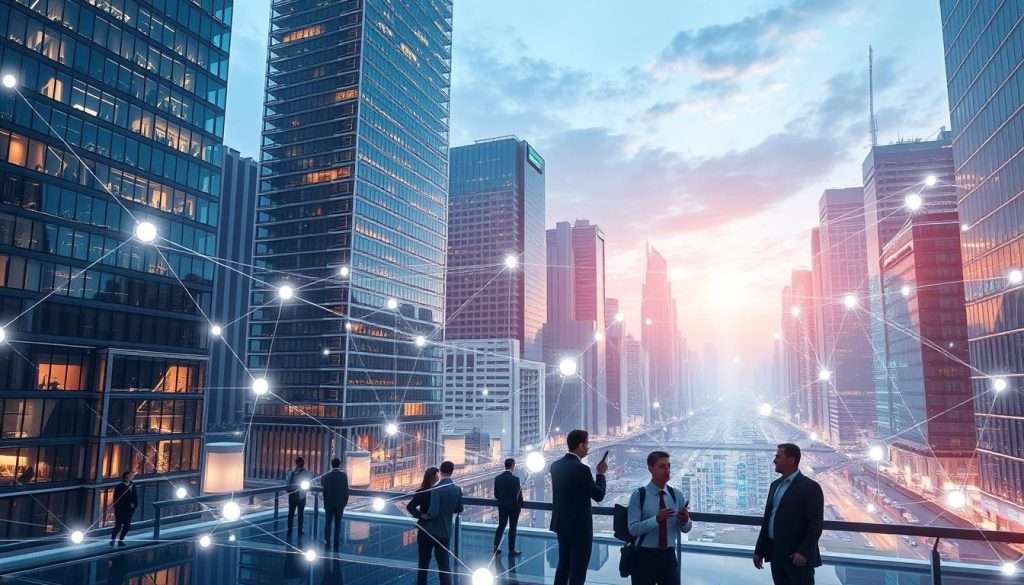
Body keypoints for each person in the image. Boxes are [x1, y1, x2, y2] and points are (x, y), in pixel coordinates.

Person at [753, 443, 824, 585]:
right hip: (776, 553)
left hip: (797, 558)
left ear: (791, 460)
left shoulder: (810, 487)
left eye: (778, 457)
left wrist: (803, 552)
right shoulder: (775, 485)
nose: (774, 460)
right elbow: (768, 520)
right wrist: (759, 550)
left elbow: (815, 525)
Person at [550, 429, 607, 585]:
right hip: (580, 528)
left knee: (563, 566)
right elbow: (599, 495)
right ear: (580, 445)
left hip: (561, 524)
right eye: (587, 444)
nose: (588, 448)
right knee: (578, 570)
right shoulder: (582, 469)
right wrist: (601, 474)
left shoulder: (555, 466)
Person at [627, 451, 692, 585]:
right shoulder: (639, 495)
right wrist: (656, 519)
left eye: (668, 466)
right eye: (662, 466)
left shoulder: (676, 495)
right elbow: (633, 529)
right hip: (644, 556)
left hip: (668, 556)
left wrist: (686, 520)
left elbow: (686, 528)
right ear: (650, 469)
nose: (667, 470)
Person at [418, 461, 463, 585]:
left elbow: (433, 512)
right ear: (452, 471)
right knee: (444, 566)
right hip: (445, 532)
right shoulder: (457, 489)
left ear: (440, 471)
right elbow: (459, 509)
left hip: (430, 532)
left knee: (424, 564)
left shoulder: (436, 489)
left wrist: (424, 516)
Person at [493, 457, 523, 555]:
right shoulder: (515, 479)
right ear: (513, 466)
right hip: (514, 508)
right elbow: (519, 496)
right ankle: (511, 550)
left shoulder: (497, 478)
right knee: (512, 528)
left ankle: (496, 547)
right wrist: (519, 506)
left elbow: (496, 495)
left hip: (502, 507)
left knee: (501, 526)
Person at [321, 456, 350, 549]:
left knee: (328, 522)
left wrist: (325, 500)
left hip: (329, 503)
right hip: (340, 503)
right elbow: (346, 490)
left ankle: (327, 540)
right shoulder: (344, 476)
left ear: (331, 464)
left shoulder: (325, 476)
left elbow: (323, 489)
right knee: (338, 523)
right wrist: (345, 501)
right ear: (339, 464)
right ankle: (336, 541)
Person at [286, 456, 311, 537]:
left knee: (300, 513)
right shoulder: (291, 472)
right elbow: (288, 482)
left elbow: (308, 483)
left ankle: (300, 529)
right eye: (299, 462)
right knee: (291, 513)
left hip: (301, 496)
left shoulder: (305, 473)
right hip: (293, 495)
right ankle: (290, 528)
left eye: (301, 462)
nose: (300, 464)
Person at [110, 471, 137, 546]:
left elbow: (134, 496)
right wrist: (117, 508)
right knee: (118, 526)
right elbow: (116, 499)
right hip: (120, 510)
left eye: (131, 476)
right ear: (125, 477)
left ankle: (121, 540)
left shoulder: (132, 485)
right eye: (129, 476)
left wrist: (134, 505)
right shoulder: (119, 487)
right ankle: (113, 539)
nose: (131, 477)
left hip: (129, 510)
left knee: (127, 526)